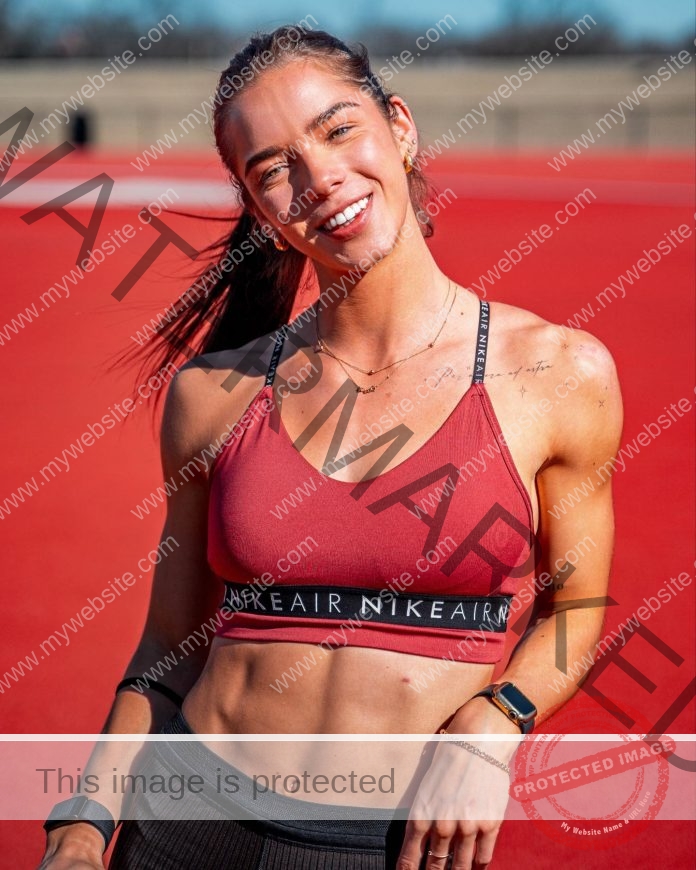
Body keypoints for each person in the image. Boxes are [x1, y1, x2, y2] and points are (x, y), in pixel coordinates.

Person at [38, 25, 623, 870]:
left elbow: (575, 613)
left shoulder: (559, 372)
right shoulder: (213, 394)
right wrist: (83, 826)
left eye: (338, 129)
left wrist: (498, 720)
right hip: (185, 827)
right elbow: (169, 648)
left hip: (389, 845)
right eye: (273, 170)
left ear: (401, 127)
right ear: (261, 213)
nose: (319, 180)